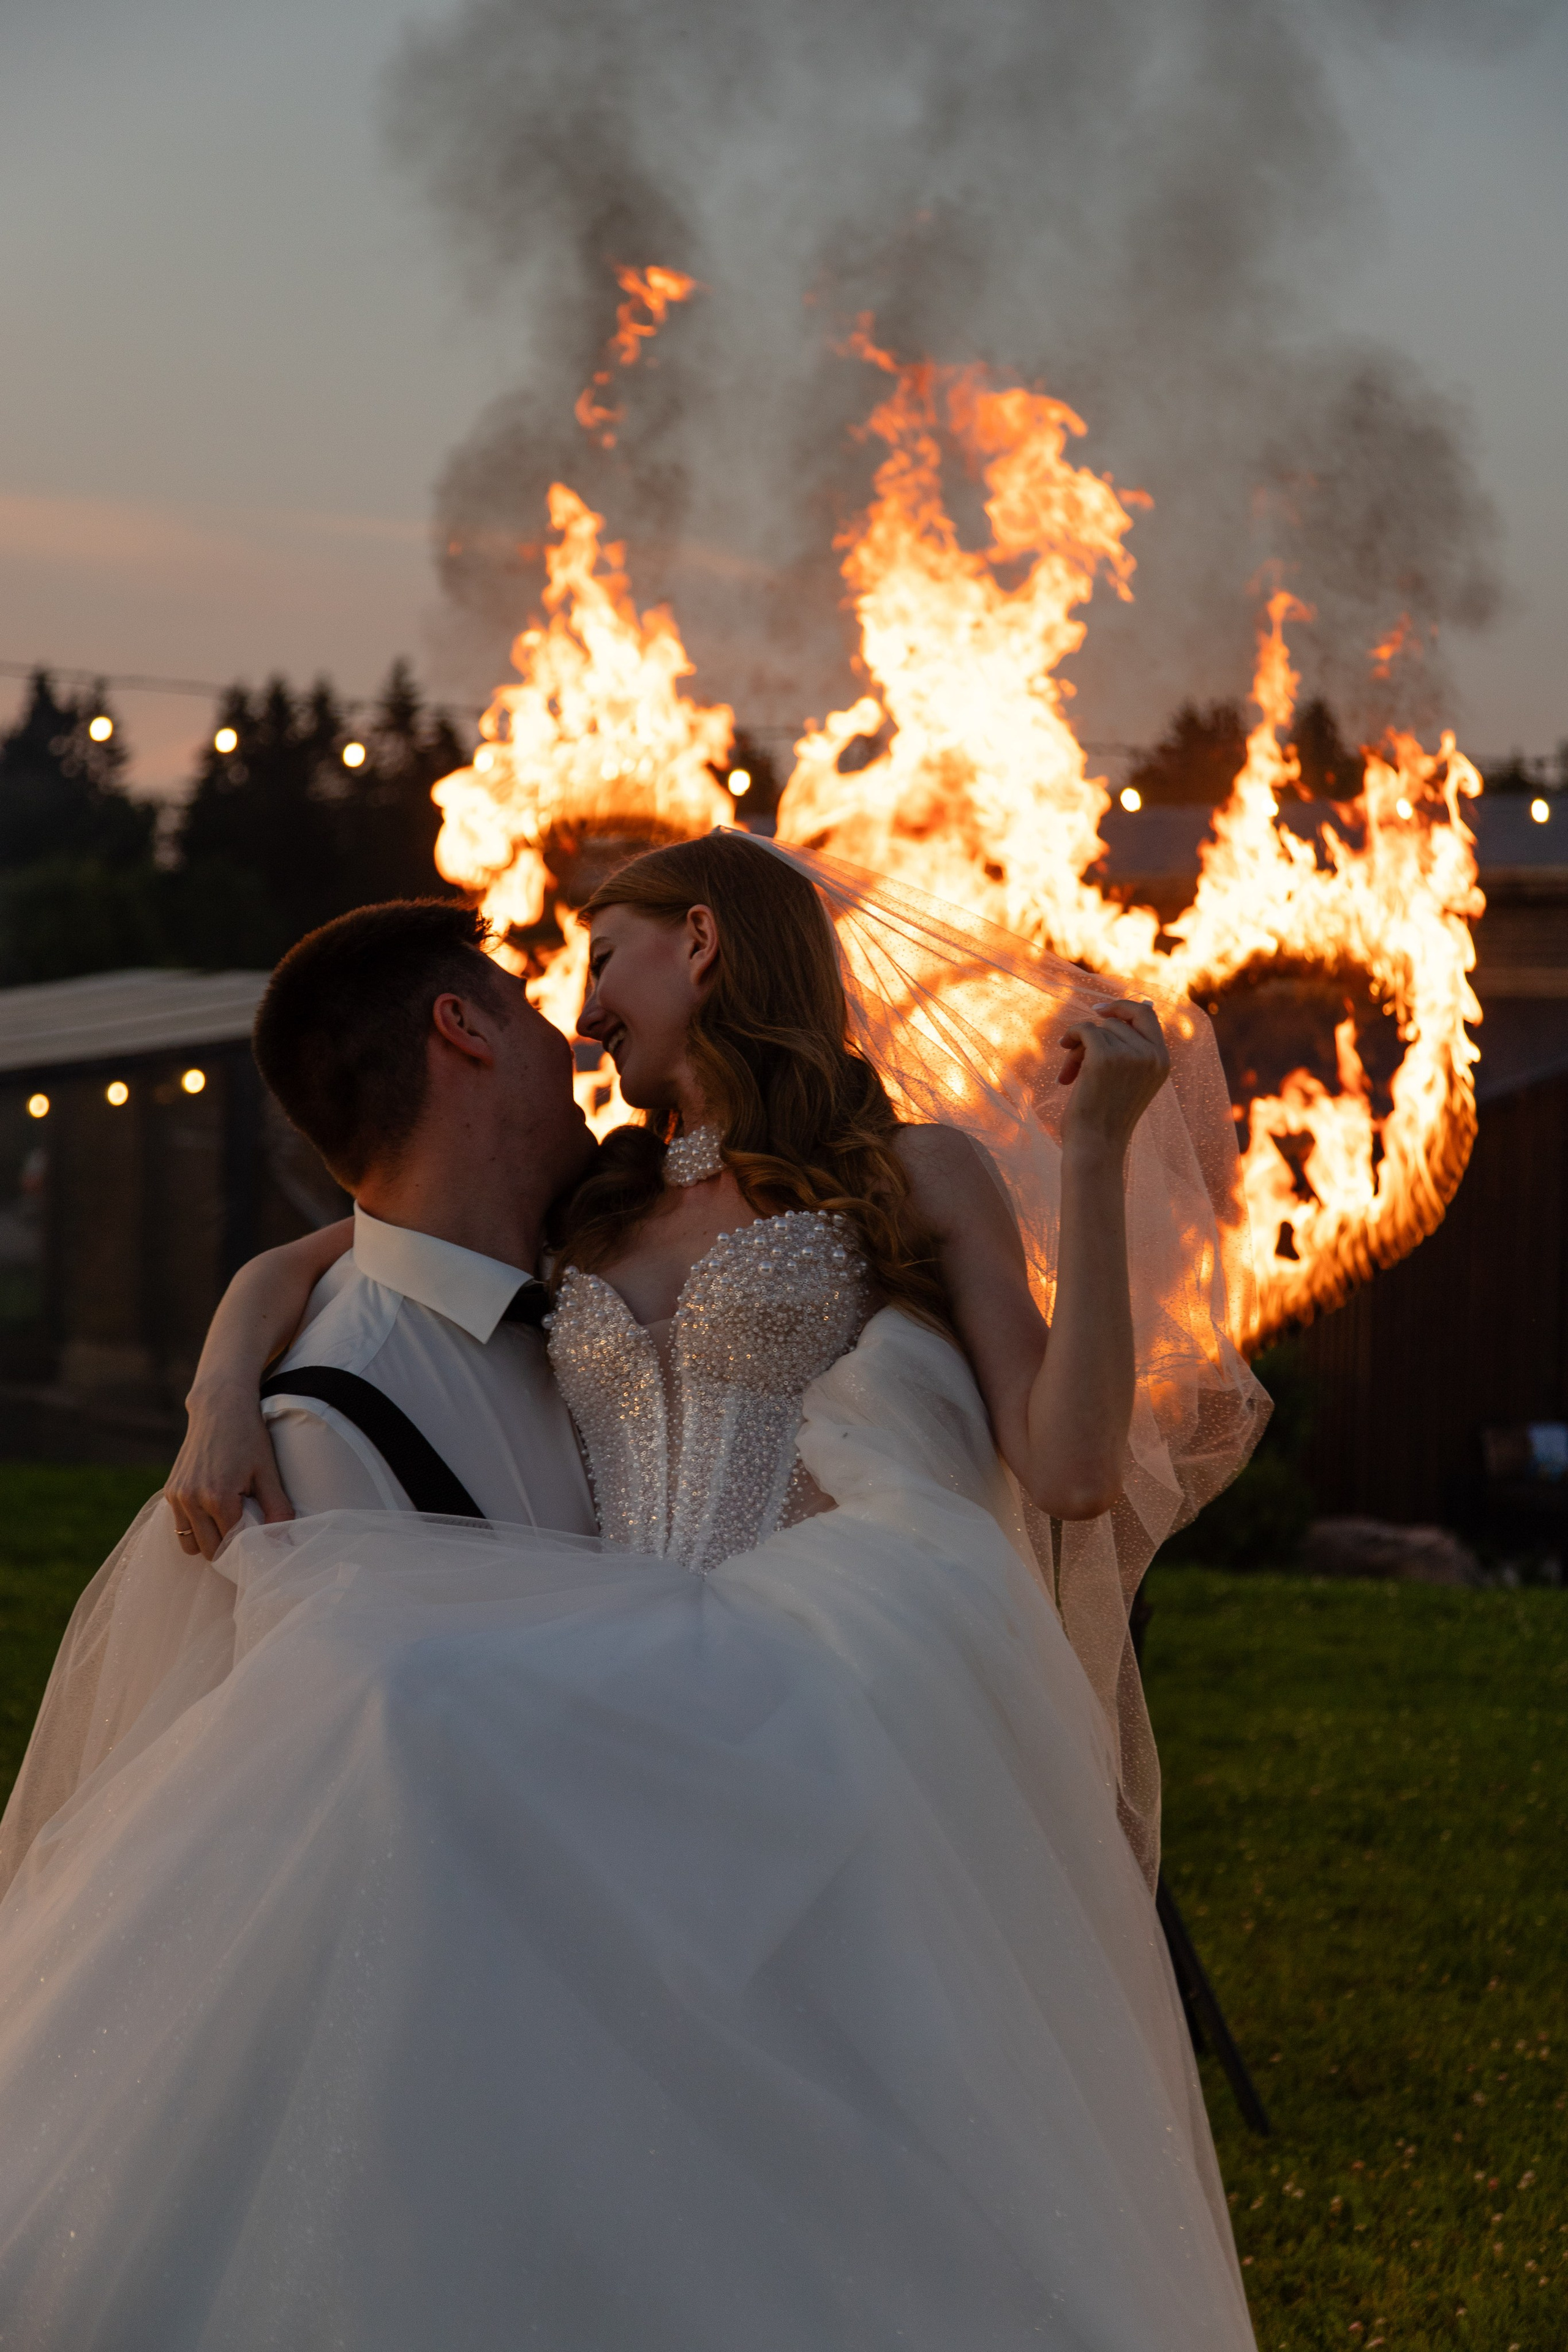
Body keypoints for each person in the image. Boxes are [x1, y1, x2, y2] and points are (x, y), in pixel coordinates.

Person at [0, 832, 1266, 2351]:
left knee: (841, 2108)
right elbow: (357, 1233)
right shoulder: (588, 1201)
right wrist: (224, 1370)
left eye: (602, 959)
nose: (583, 1009)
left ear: (706, 945)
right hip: (608, 1675)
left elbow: (1065, 1469)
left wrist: (1090, 1152)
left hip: (814, 1671)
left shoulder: (910, 1175)